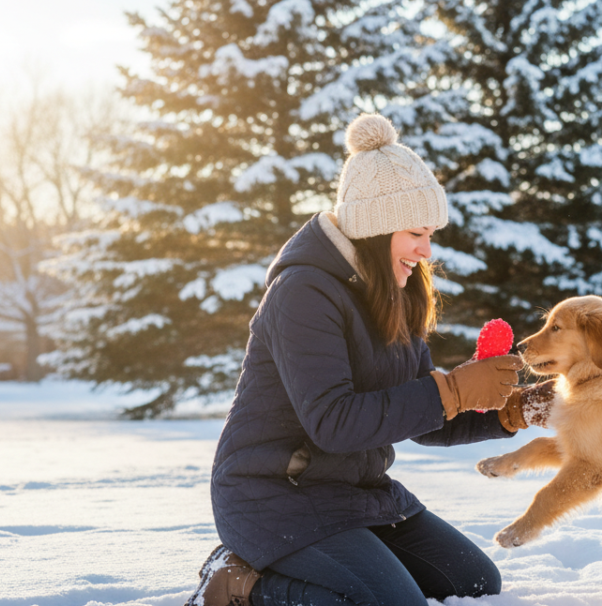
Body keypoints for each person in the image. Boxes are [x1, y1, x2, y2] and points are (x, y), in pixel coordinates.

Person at [185, 113, 554, 606]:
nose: (426, 251)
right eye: (415, 234)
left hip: (356, 493)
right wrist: (454, 389)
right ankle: (239, 586)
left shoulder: (394, 293)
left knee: (475, 582)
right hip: (274, 498)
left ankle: (352, 561)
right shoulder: (303, 293)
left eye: (430, 235)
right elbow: (333, 423)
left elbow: (425, 419)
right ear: (377, 229)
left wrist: (513, 412)